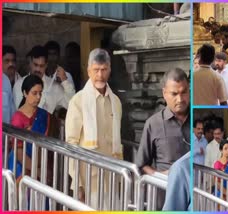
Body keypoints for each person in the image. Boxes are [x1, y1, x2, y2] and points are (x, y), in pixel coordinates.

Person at [65, 48, 123, 209]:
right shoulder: (78, 101)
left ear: (109, 69)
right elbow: (71, 144)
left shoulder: (116, 101)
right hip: (88, 177)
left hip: (111, 175)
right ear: (89, 70)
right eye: (96, 70)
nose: (100, 75)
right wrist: (77, 183)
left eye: (104, 70)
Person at [136, 68, 190, 210]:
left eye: (184, 92)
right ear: (164, 93)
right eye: (174, 94)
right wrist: (161, 176)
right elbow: (142, 165)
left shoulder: (197, 120)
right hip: (165, 197)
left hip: (197, 196)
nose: (180, 99)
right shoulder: (153, 124)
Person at [8, 75, 50, 183]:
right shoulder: (17, 118)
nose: (38, 97)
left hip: (41, 165)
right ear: (25, 93)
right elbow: (18, 152)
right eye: (34, 93)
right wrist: (36, 171)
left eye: (40, 93)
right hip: (21, 168)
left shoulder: (43, 115)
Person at [13, 45, 75, 114]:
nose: (38, 69)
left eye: (41, 66)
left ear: (46, 65)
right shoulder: (19, 84)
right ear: (30, 62)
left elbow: (71, 105)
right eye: (35, 65)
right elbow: (16, 113)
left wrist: (65, 81)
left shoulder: (55, 87)